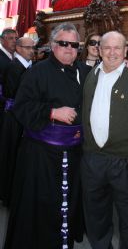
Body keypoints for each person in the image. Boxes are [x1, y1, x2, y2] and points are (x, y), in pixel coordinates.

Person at [4, 22, 91, 249]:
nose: (69, 48)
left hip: (73, 155)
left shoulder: (85, 71)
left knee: (67, 209)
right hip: (40, 157)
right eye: (63, 43)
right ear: (53, 46)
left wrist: (127, 65)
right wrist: (52, 112)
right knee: (40, 211)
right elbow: (21, 107)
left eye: (74, 44)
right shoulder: (37, 72)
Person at [81, 30, 128, 249]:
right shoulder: (90, 74)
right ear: (100, 50)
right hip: (93, 158)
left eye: (117, 48)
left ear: (125, 51)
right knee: (96, 215)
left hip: (125, 160)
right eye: (107, 48)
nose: (112, 53)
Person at [0, 37, 35, 207]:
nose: (31, 51)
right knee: (11, 155)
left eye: (32, 48)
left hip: (21, 117)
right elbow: (15, 94)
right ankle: (8, 195)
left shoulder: (28, 66)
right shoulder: (14, 67)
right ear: (19, 49)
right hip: (14, 118)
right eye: (27, 48)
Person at [0, 29, 18, 126]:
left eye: (16, 38)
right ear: (2, 40)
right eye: (11, 38)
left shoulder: (16, 57)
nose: (15, 41)